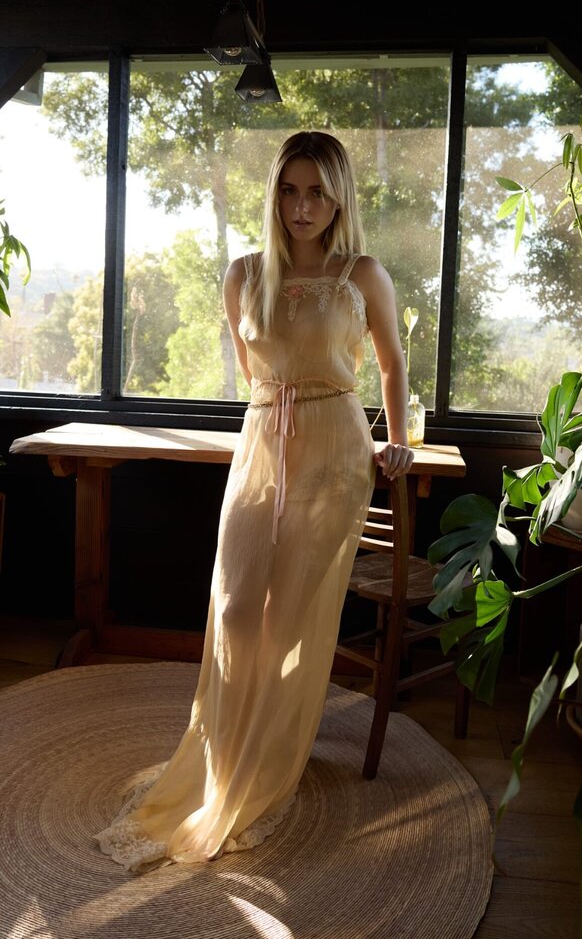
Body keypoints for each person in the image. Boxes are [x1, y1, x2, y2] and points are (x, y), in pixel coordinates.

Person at [94, 130, 414, 872]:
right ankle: (223, 749)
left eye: (317, 193)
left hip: (335, 449)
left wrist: (396, 441)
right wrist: (279, 411)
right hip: (264, 441)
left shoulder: (362, 274)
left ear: (339, 199)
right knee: (237, 607)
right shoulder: (242, 274)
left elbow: (393, 365)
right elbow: (253, 371)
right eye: (289, 191)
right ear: (274, 195)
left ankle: (268, 760)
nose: (302, 207)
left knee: (292, 614)